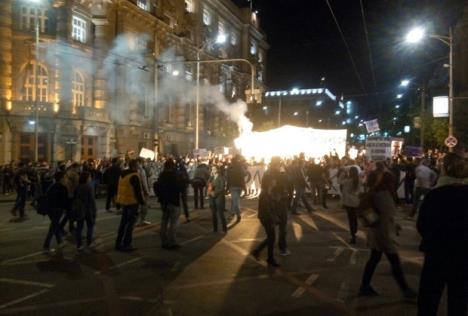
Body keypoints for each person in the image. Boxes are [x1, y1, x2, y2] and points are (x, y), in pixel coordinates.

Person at [416, 153, 468, 316]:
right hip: (463, 256)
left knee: (428, 300)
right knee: (458, 301)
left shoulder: (435, 194)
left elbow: (422, 224)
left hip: (436, 254)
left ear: (444, 170)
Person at [359, 164, 416, 299]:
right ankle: (406, 290)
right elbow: (385, 217)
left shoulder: (380, 192)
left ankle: (365, 286)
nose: (395, 183)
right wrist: (385, 227)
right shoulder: (383, 194)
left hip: (378, 232)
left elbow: (384, 216)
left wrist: (392, 225)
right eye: (393, 181)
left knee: (374, 259)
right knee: (394, 262)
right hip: (383, 235)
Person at [252, 157, 287, 267]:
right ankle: (269, 258)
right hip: (266, 218)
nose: (275, 182)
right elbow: (267, 209)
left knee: (270, 237)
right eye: (273, 181)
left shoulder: (268, 193)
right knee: (271, 237)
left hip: (267, 217)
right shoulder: (265, 195)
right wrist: (273, 219)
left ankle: (258, 252)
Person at [115, 159, 145, 251]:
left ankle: (118, 243)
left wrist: (118, 202)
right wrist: (142, 202)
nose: (138, 167)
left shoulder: (122, 174)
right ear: (134, 166)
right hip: (132, 202)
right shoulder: (134, 176)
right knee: (130, 224)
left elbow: (119, 189)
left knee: (123, 223)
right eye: (137, 165)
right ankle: (126, 244)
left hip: (124, 201)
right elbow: (138, 191)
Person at [154, 158, 184, 249]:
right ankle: (172, 241)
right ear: (172, 166)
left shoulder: (161, 175)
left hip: (164, 201)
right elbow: (179, 187)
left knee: (164, 221)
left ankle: (164, 241)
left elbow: (157, 186)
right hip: (173, 201)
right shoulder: (174, 176)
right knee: (173, 223)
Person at [43, 171, 68, 253]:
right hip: (58, 209)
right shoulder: (63, 187)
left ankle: (60, 242)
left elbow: (47, 197)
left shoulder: (52, 186)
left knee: (55, 225)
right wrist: (65, 209)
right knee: (53, 227)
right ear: (61, 178)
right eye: (65, 177)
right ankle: (46, 245)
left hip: (50, 209)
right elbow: (64, 201)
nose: (66, 179)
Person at [74, 172, 97, 251]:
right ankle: (89, 242)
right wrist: (94, 210)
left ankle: (79, 244)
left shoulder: (78, 186)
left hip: (79, 209)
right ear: (86, 178)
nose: (90, 178)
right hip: (88, 209)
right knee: (90, 226)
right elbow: (91, 200)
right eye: (89, 177)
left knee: (79, 227)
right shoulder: (88, 187)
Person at [341, 166, 362, 244]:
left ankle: (353, 235)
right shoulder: (359, 180)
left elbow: (339, 181)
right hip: (357, 201)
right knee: (355, 219)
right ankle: (355, 231)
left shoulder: (348, 181)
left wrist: (343, 173)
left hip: (349, 202)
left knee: (351, 220)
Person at [226, 155, 246, 222]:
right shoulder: (240, 167)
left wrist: (227, 188)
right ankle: (232, 212)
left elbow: (228, 179)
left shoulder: (230, 168)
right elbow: (243, 178)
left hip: (233, 187)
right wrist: (245, 188)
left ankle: (238, 215)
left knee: (235, 201)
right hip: (239, 186)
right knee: (234, 200)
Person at [208, 165, 227, 233]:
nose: (213, 170)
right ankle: (215, 228)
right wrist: (210, 176)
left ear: (218, 170)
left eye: (214, 169)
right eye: (212, 169)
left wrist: (215, 192)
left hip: (219, 197)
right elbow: (208, 184)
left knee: (220, 213)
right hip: (212, 198)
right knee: (213, 213)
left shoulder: (221, 177)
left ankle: (224, 229)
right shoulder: (212, 177)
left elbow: (222, 188)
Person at [136, 158, 151, 226]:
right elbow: (144, 182)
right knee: (144, 206)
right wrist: (147, 191)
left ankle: (138, 221)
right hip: (142, 191)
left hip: (136, 191)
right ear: (140, 162)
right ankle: (141, 220)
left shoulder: (133, 169)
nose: (145, 163)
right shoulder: (141, 170)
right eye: (144, 162)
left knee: (138, 207)